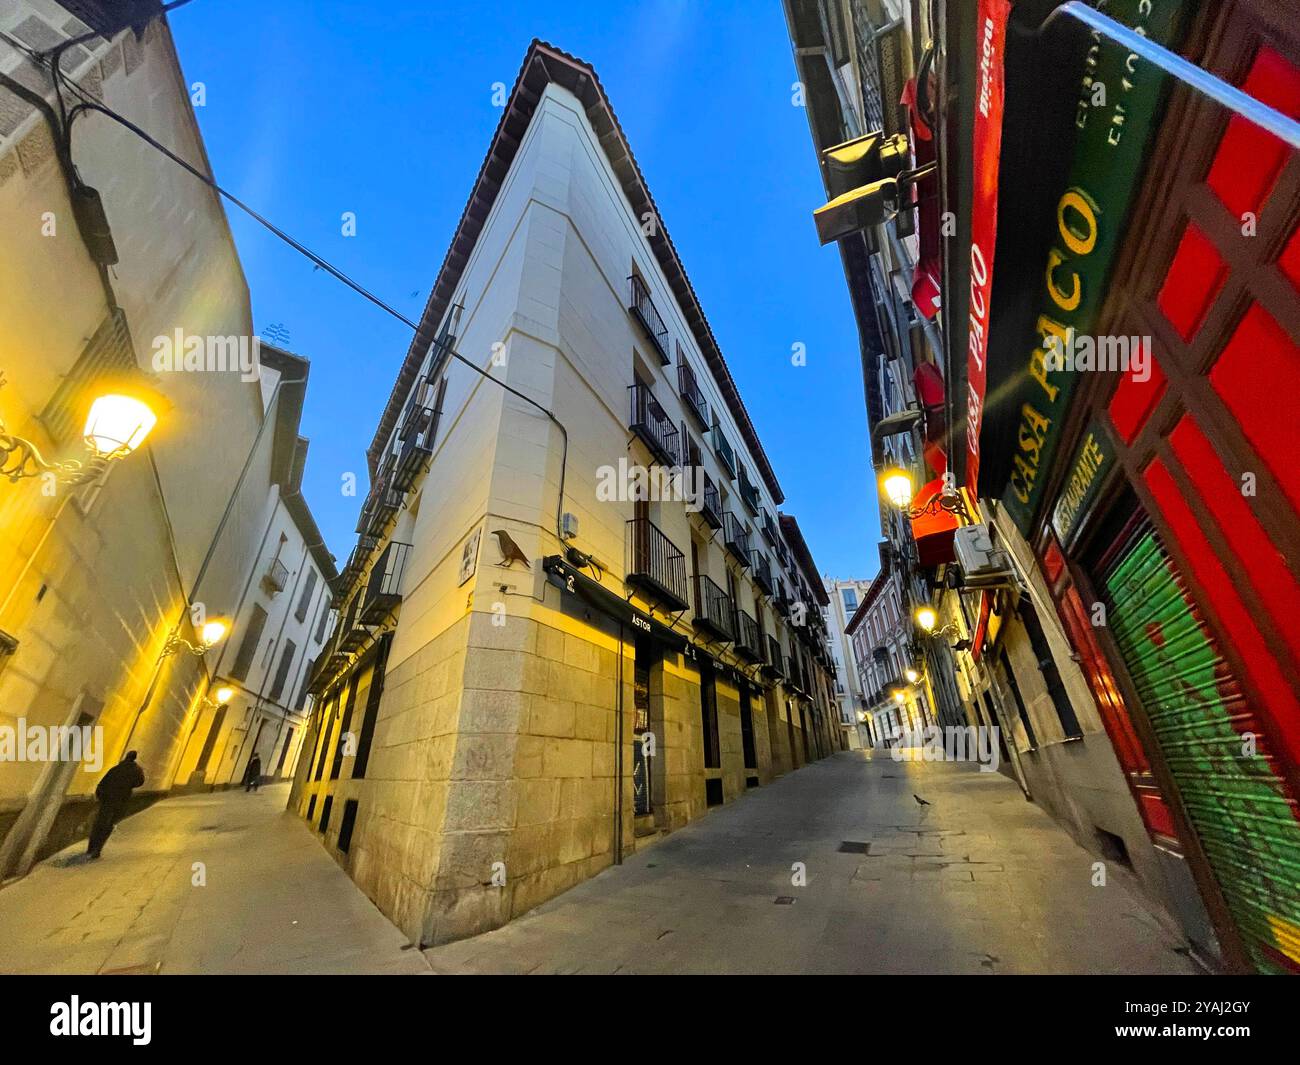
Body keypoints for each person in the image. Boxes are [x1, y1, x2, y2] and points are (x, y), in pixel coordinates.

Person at [86, 751, 145, 860]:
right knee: (109, 825)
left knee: (99, 824)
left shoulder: (115, 769)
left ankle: (90, 848)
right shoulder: (136, 770)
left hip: (107, 800)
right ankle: (97, 849)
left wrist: (100, 796)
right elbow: (140, 782)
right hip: (121, 800)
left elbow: (102, 783)